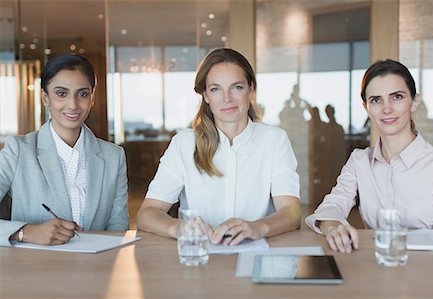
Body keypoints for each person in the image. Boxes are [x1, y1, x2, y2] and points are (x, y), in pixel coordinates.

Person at [137, 48, 301, 245]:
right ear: (205, 95)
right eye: (215, 89)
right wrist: (180, 228)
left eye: (237, 87)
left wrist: (258, 227)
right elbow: (147, 213)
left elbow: (291, 213)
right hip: (199, 257)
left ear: (251, 89)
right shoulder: (185, 143)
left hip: (256, 257)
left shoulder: (274, 140)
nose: (227, 98)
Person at [305, 59, 433, 253]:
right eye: (376, 100)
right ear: (366, 107)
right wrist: (333, 227)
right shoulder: (359, 161)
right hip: (374, 268)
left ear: (414, 101)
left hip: (427, 273)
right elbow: (332, 206)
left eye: (397, 97)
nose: (387, 108)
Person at [0, 54, 129, 247]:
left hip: (97, 269)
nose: (73, 105)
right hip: (34, 269)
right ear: (45, 98)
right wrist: (26, 232)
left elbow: (118, 227)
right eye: (61, 93)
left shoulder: (113, 156)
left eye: (82, 94)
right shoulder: (19, 150)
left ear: (92, 99)